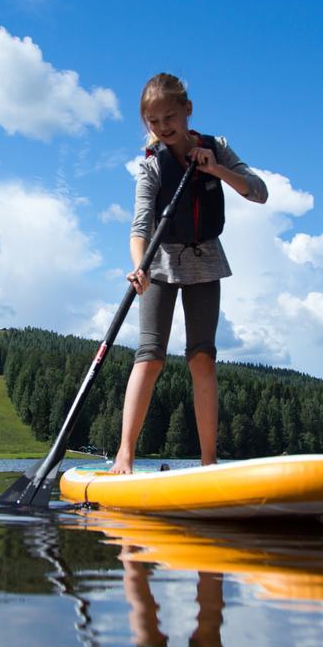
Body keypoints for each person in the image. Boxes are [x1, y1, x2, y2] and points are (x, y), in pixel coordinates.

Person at [110, 73, 268, 474]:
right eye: (154, 121)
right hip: (159, 263)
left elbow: (259, 192)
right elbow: (139, 227)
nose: (164, 128)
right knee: (150, 357)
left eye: (170, 117)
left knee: (202, 358)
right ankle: (124, 456)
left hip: (206, 261)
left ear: (187, 110)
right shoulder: (150, 167)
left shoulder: (218, 148)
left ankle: (209, 461)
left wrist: (216, 170)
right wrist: (138, 266)